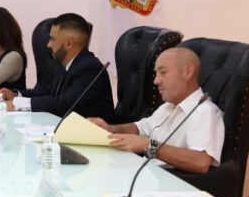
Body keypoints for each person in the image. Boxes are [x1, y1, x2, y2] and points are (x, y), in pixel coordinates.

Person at [90, 47, 224, 174]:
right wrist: (110, 129)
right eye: (156, 74)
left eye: (163, 72)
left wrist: (149, 146)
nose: (156, 81)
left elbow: (200, 162)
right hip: (143, 173)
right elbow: (140, 128)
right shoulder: (167, 107)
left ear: (188, 71)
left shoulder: (205, 112)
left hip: (168, 183)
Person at [1, 13, 114, 120]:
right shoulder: (62, 64)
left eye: (52, 39)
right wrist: (16, 95)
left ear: (68, 43)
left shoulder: (90, 68)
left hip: (91, 132)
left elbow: (64, 104)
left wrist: (17, 104)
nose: (48, 44)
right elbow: (47, 91)